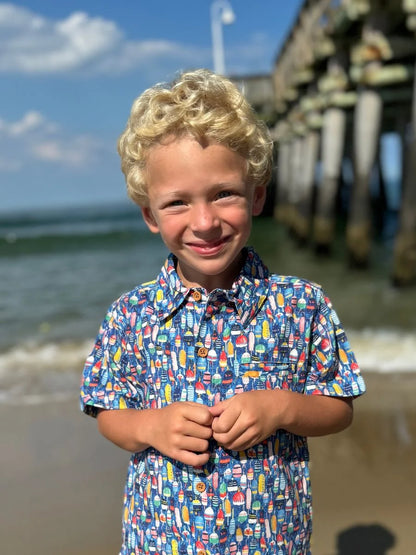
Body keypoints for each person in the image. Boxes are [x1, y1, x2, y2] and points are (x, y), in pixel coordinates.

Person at [80, 69, 365, 555]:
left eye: (223, 193)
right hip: (161, 540)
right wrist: (150, 425)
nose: (205, 221)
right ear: (150, 215)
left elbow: (339, 407)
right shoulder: (130, 315)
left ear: (256, 195)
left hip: (273, 540)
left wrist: (281, 407)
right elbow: (108, 412)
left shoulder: (301, 304)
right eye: (176, 203)